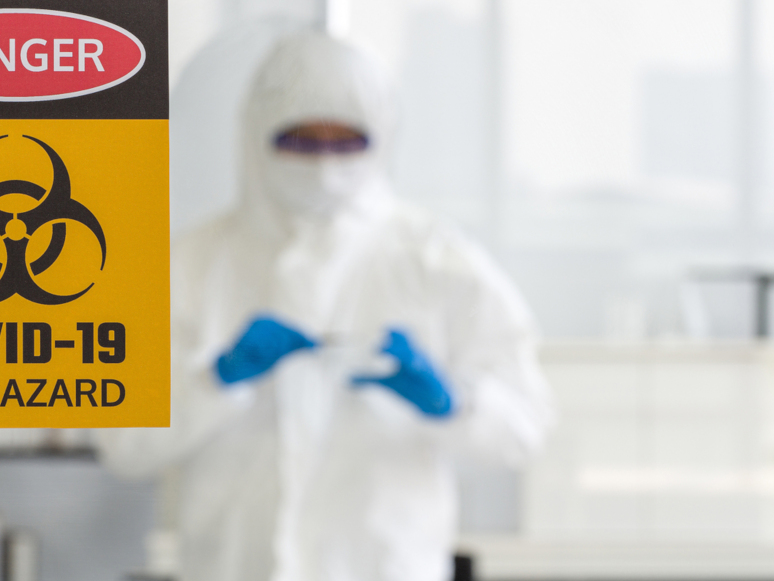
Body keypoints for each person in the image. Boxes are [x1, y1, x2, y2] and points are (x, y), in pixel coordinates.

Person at [96, 30, 553, 581]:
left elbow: (524, 429)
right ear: (257, 135)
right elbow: (122, 445)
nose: (324, 164)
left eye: (345, 142)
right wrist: (214, 382)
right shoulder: (185, 267)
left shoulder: (438, 262)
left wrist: (450, 402)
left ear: (381, 139)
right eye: (301, 141)